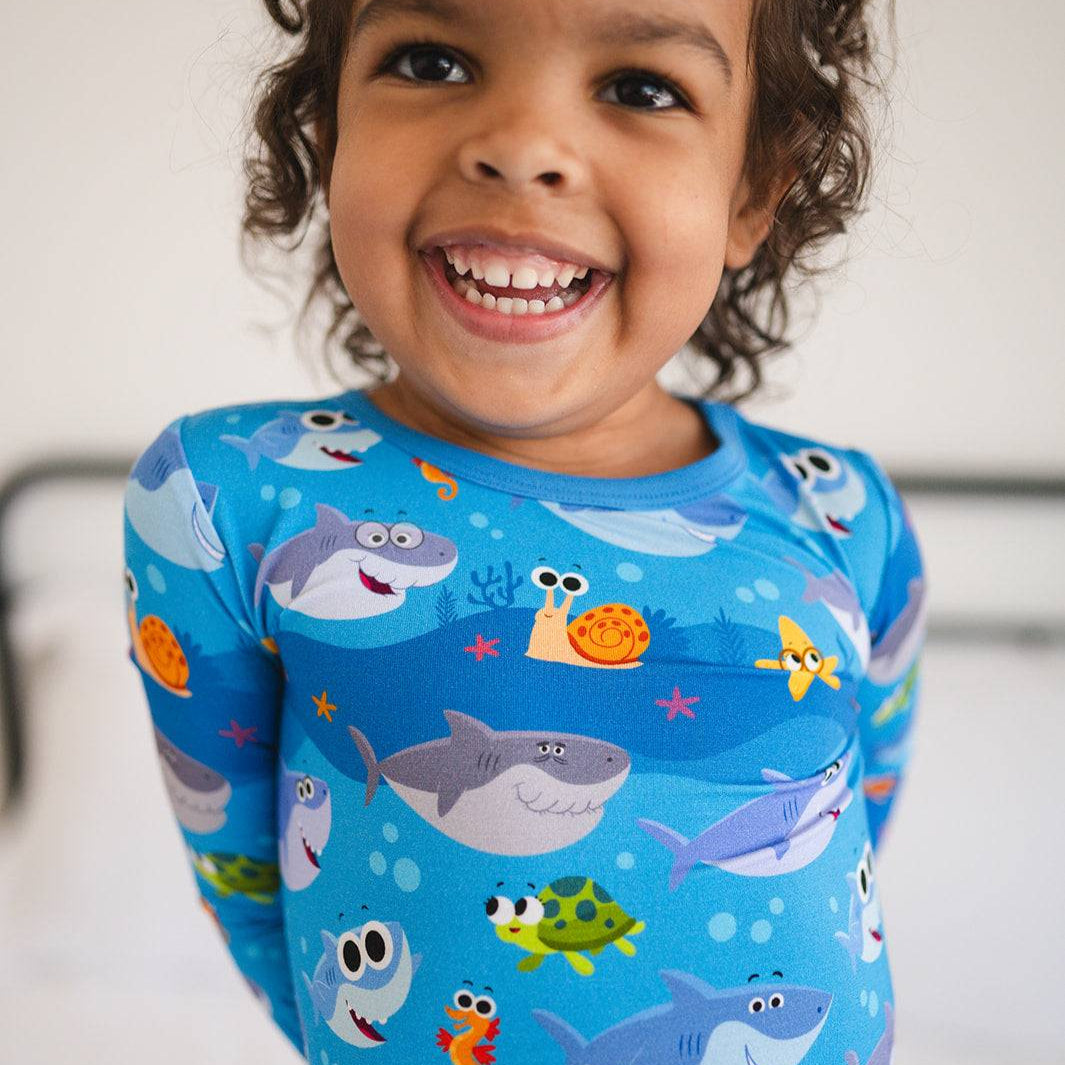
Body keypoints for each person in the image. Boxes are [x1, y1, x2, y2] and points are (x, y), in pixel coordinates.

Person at [123, 0, 925, 1060]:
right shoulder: (223, 501)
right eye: (431, 58)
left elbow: (849, 823)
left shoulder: (843, 512)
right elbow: (250, 883)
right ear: (326, 132)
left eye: (641, 88)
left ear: (754, 188)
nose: (522, 148)